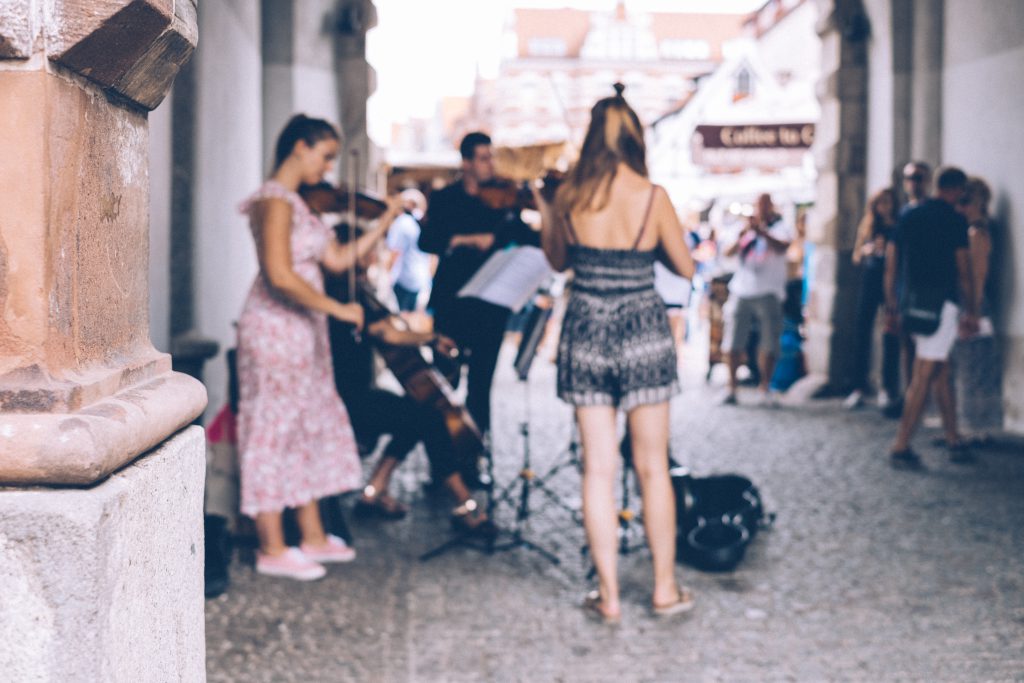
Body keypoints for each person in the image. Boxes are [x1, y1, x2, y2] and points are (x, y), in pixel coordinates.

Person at [532, 85, 696, 623]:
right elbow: (686, 268)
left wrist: (546, 208)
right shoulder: (653, 196)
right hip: (643, 330)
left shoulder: (570, 198)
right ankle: (665, 589)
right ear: (635, 138)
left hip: (586, 329)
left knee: (597, 471)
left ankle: (608, 596)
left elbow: (557, 262)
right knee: (653, 468)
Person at [235, 114, 396, 581]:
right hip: (275, 328)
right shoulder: (274, 200)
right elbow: (279, 275)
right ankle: (271, 545)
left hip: (303, 330)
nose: (328, 170)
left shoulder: (300, 206)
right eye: (325, 156)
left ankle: (312, 534)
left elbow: (339, 258)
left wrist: (382, 219)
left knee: (303, 424)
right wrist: (338, 309)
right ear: (299, 147)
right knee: (273, 426)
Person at [323, 238, 495, 536]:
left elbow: (389, 327)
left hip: (351, 392)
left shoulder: (351, 291)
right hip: (343, 400)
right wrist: (429, 339)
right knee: (426, 417)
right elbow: (386, 332)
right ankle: (463, 502)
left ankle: (375, 489)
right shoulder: (345, 295)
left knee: (417, 413)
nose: (373, 254)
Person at [417, 131, 538, 436]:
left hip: (490, 307)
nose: (491, 165)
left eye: (491, 157)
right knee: (444, 382)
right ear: (467, 162)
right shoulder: (446, 199)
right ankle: (443, 461)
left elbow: (531, 240)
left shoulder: (505, 204)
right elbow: (426, 240)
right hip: (451, 302)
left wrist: (543, 206)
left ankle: (475, 454)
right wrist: (464, 240)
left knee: (481, 385)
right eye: (484, 158)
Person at [885, 166, 977, 469]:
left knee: (940, 371)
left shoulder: (910, 215)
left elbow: (892, 264)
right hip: (942, 304)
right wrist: (972, 308)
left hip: (913, 302)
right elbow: (963, 269)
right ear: (957, 189)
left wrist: (892, 304)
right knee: (925, 372)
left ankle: (953, 437)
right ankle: (901, 445)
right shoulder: (954, 220)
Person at [720, 194, 794, 406]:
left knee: (769, 341)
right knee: (733, 339)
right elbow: (727, 252)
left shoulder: (780, 226)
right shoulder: (743, 229)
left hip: (769, 290)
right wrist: (746, 233)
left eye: (765, 204)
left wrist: (762, 232)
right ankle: (731, 387)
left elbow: (783, 246)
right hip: (742, 289)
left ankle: (765, 387)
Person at [883, 161, 934, 418]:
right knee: (908, 346)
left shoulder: (934, 213)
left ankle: (922, 399)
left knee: (931, 350)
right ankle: (911, 395)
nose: (914, 182)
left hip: (930, 290)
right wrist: (891, 298)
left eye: (919, 177)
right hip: (907, 290)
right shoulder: (904, 215)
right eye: (910, 177)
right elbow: (893, 260)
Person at [953, 176, 1001, 443]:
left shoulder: (976, 232)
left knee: (976, 365)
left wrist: (974, 310)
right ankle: (973, 425)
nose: (960, 207)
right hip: (973, 304)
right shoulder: (976, 229)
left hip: (975, 304)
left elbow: (979, 274)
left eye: (965, 201)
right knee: (972, 364)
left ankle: (977, 427)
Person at [844, 188, 901, 410]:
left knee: (890, 335)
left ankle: (888, 388)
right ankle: (858, 386)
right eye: (881, 203)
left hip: (891, 284)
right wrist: (868, 250)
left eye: (888, 202)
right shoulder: (869, 226)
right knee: (862, 332)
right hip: (870, 281)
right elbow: (856, 256)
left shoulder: (897, 227)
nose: (885, 207)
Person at [386, 188, 432, 312]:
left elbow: (395, 252)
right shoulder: (424, 222)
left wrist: (387, 275)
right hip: (421, 280)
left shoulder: (402, 222)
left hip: (404, 280)